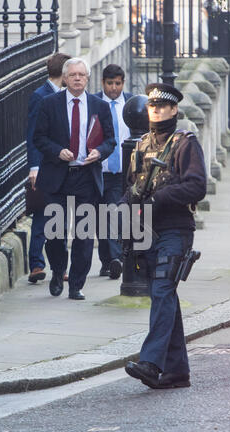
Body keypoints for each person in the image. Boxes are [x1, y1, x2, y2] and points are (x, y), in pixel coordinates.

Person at [125, 83, 207, 389]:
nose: (156, 111)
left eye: (162, 106)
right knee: (164, 295)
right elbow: (129, 188)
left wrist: (159, 198)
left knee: (161, 290)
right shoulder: (141, 146)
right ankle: (176, 372)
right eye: (152, 106)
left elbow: (197, 186)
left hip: (175, 228)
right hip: (146, 230)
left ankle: (151, 362)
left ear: (174, 109)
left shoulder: (185, 144)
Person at [33, 58, 116, 300]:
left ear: (88, 79)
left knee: (84, 234)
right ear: (65, 78)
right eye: (73, 75)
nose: (78, 78)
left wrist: (99, 152)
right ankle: (58, 272)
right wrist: (57, 151)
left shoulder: (99, 106)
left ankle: (76, 285)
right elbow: (39, 138)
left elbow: (110, 140)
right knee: (56, 233)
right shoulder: (50, 104)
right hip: (58, 175)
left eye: (82, 74)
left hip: (86, 176)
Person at [26, 52, 71, 284]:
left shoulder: (69, 97)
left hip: (62, 166)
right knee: (42, 216)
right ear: (63, 74)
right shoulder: (40, 96)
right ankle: (36, 264)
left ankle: (59, 266)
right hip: (44, 166)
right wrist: (34, 167)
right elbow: (33, 135)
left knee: (60, 219)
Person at [95, 64, 132, 279]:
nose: (114, 88)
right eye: (110, 83)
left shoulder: (130, 104)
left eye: (118, 83)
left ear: (123, 83)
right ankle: (106, 262)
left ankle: (116, 258)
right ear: (102, 83)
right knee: (100, 218)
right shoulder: (96, 104)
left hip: (119, 173)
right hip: (98, 170)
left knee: (113, 214)